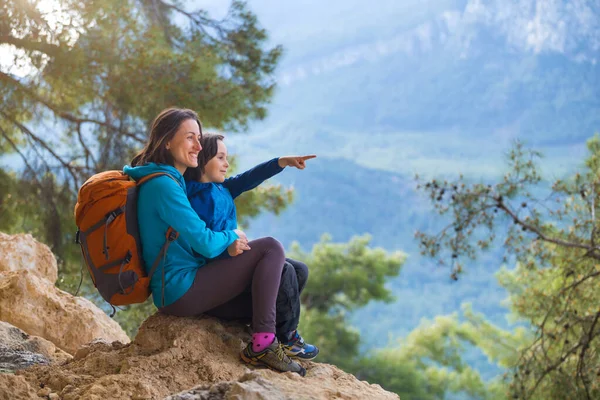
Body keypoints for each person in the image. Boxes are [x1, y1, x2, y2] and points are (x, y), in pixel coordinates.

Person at [123, 107, 306, 376]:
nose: (199, 145)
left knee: (290, 272)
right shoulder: (164, 186)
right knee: (270, 247)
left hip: (193, 284)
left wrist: (278, 163)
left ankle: (276, 338)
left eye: (198, 138)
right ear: (166, 141)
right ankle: (263, 344)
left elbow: (238, 184)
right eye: (190, 138)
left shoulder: (172, 180)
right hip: (180, 289)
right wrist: (232, 236)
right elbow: (206, 243)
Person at [183, 133, 319, 360]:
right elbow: (198, 246)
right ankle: (286, 338)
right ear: (203, 160)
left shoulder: (221, 188)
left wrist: (281, 162)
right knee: (283, 270)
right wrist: (228, 245)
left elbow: (248, 178)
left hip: (229, 277)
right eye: (220, 157)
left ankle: (279, 330)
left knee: (298, 270)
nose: (227, 164)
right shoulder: (197, 199)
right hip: (215, 290)